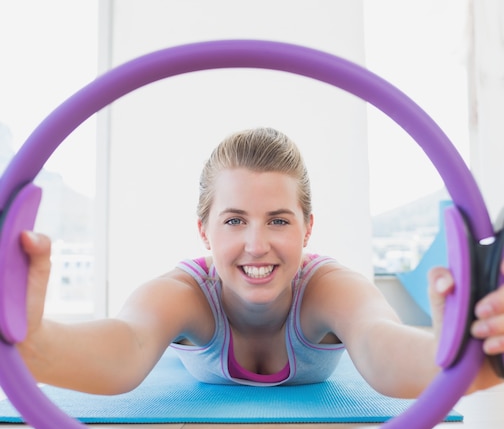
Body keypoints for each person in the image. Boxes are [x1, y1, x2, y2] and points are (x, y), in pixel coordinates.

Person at [17, 127, 504, 397]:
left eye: (277, 220)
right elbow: (126, 345)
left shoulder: (329, 287)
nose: (256, 245)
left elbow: (382, 347)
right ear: (203, 230)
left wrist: (460, 357)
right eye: (233, 221)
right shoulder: (183, 292)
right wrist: (33, 342)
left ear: (307, 229)